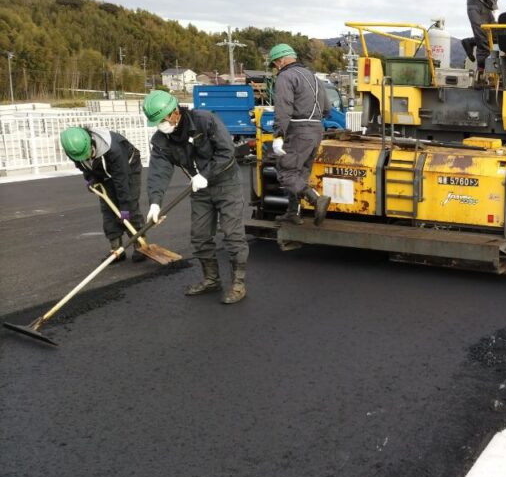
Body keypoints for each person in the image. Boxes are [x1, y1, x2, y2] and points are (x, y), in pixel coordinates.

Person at [142, 90, 249, 304]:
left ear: (174, 113)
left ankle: (238, 283)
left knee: (232, 233)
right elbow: (158, 172)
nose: (160, 125)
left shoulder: (205, 121)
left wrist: (205, 174)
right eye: (156, 122)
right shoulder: (162, 139)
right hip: (199, 189)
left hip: (226, 182)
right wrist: (155, 203)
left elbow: (227, 152)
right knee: (200, 236)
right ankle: (211, 280)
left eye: (162, 120)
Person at [267, 43, 331, 226]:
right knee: (300, 173)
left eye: (275, 64)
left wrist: (278, 135)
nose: (275, 67)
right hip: (316, 130)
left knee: (286, 173)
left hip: (298, 131)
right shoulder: (313, 77)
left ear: (280, 61)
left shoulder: (285, 77)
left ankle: (316, 199)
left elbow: (283, 108)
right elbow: (327, 108)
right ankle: (293, 212)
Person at [60, 126, 145, 263]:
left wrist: (124, 210)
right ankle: (117, 249)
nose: (87, 157)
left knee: (129, 206)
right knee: (108, 209)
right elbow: (82, 166)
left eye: (89, 153)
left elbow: (122, 183)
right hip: (103, 171)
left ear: (91, 142)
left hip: (127, 167)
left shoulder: (113, 149)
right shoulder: (74, 150)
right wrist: (90, 179)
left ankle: (140, 245)